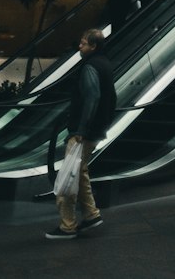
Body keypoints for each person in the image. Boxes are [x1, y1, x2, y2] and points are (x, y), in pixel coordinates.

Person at [46, 28, 116, 240]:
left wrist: (81, 131)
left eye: (83, 43)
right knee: (80, 170)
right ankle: (92, 215)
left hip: (84, 132)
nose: (80, 46)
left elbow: (92, 98)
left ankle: (68, 226)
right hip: (96, 128)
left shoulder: (90, 67)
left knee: (69, 175)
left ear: (93, 46)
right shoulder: (105, 63)